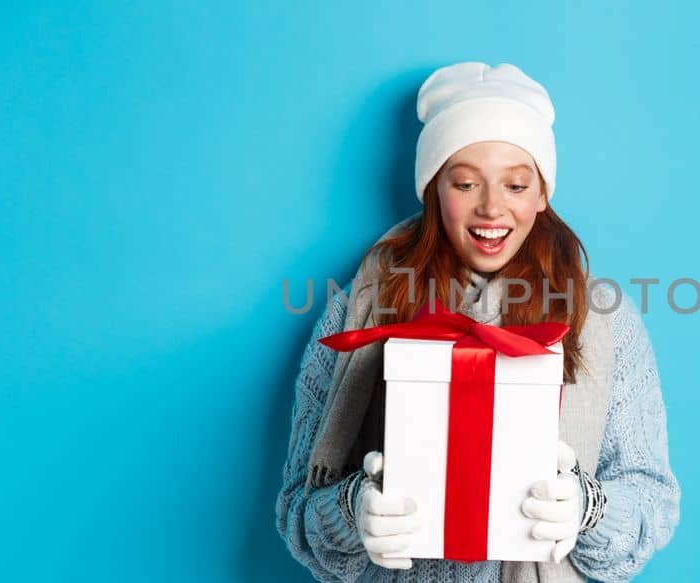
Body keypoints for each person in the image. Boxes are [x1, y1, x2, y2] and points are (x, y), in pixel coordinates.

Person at [276, 61, 679, 582]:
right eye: (465, 182)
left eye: (515, 184)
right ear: (434, 189)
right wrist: (354, 509)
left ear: (542, 194)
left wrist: (588, 509)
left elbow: (652, 499)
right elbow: (297, 511)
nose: (492, 208)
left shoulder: (604, 321)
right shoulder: (361, 309)